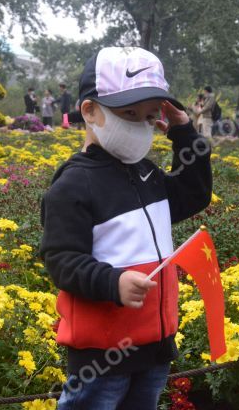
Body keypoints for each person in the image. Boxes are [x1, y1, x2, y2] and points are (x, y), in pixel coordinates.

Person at [40, 46, 212, 409]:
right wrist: (112, 282)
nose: (140, 124)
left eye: (150, 117)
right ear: (91, 111)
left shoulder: (147, 173)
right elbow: (61, 259)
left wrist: (183, 132)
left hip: (155, 345)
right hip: (102, 357)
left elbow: (194, 194)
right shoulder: (73, 186)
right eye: (128, 113)